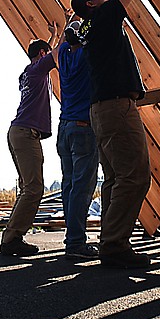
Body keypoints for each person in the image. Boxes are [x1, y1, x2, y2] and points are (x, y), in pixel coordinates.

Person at [69, 0, 153, 269]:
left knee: (116, 179)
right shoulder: (102, 17)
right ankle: (116, 245)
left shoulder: (90, 23)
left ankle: (110, 242)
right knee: (135, 177)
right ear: (92, 4)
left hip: (99, 109)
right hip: (117, 107)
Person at [0, 22, 61, 256]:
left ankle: (12, 236)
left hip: (18, 131)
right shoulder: (37, 70)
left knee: (28, 187)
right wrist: (67, 25)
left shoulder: (28, 72)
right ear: (42, 55)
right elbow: (56, 54)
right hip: (26, 133)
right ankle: (13, 237)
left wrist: (53, 35)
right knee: (34, 188)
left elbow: (50, 51)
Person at [55, 16, 100, 261]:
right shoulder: (85, 56)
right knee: (82, 188)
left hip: (65, 128)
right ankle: (75, 242)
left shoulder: (63, 55)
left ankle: (72, 238)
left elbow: (65, 38)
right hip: (83, 127)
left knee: (69, 186)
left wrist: (72, 19)